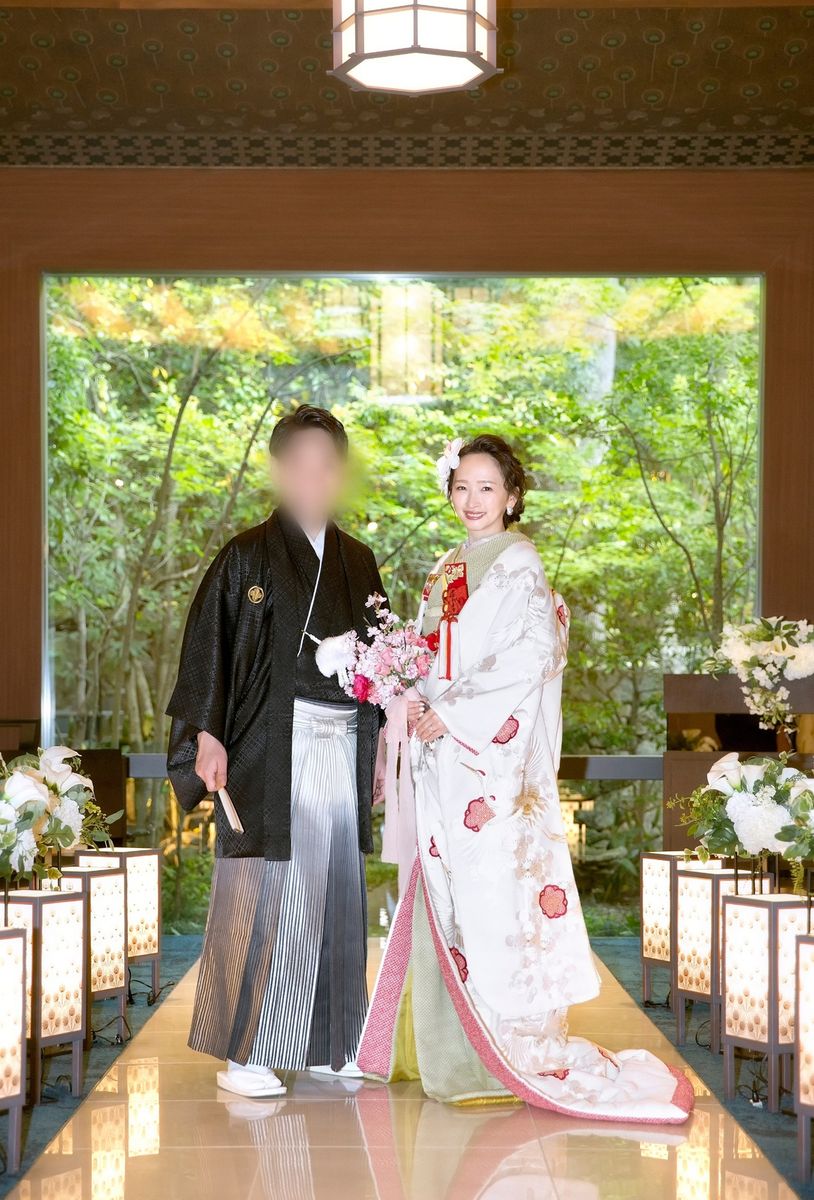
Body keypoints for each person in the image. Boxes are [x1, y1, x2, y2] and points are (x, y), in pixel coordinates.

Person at [356, 434, 692, 1123]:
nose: (472, 500)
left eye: (487, 487)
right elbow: (427, 654)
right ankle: (446, 1051)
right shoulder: (445, 566)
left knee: (494, 897)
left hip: (489, 767)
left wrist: (451, 713)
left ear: (512, 496)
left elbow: (530, 654)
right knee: (446, 894)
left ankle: (501, 1050)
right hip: (444, 758)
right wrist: (409, 695)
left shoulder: (519, 563)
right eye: (461, 487)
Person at [166, 404, 386, 1099]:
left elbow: (381, 667)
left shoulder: (358, 560)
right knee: (266, 893)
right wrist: (207, 734)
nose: (314, 478)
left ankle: (331, 1043)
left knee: (336, 891)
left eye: (327, 466)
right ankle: (248, 1051)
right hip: (270, 748)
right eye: (301, 465)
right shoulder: (247, 555)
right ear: (280, 469)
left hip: (341, 743)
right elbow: (210, 649)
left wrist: (380, 750)